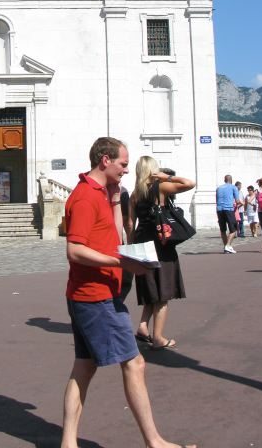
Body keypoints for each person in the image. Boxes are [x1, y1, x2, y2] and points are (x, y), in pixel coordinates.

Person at [61, 137, 196, 448]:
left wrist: (114, 202)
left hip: (92, 294)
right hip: (96, 297)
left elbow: (115, 236)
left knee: (84, 367)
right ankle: (154, 442)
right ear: (105, 160)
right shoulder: (85, 197)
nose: (126, 169)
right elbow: (74, 250)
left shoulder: (101, 193)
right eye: (123, 163)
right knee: (134, 364)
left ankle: (68, 443)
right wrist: (121, 262)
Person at [128, 157, 195, 350]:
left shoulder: (135, 194)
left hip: (142, 242)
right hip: (160, 244)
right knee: (162, 293)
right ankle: (158, 338)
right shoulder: (161, 187)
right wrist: (168, 177)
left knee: (151, 289)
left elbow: (130, 224)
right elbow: (189, 183)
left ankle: (142, 327)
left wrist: (132, 246)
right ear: (153, 170)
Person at [216, 174, 240, 253]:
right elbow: (237, 201)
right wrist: (242, 203)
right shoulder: (234, 187)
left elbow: (217, 200)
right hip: (228, 209)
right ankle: (228, 245)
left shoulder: (218, 188)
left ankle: (226, 247)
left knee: (223, 230)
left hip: (219, 209)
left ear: (224, 180)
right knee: (234, 229)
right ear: (231, 180)